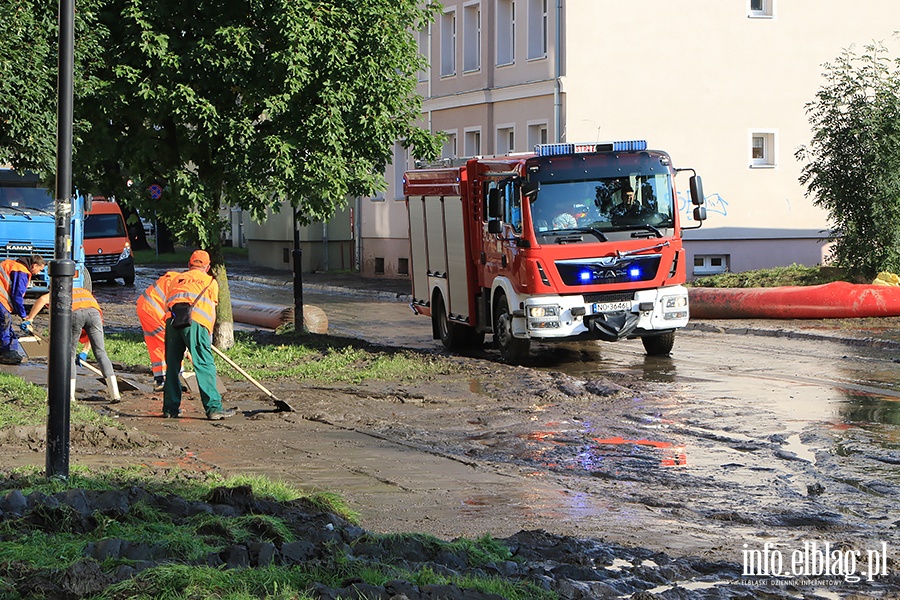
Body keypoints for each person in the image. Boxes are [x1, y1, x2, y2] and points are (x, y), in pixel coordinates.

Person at [162, 250, 233, 420]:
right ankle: (214, 408)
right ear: (207, 267)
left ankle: (170, 409)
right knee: (204, 364)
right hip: (196, 322)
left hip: (172, 322)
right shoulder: (210, 282)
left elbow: (167, 305)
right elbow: (212, 313)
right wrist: (207, 335)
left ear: (189, 265)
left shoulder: (177, 280)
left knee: (172, 367)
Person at [70, 286, 120, 403]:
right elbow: (91, 332)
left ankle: (70, 397)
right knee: (101, 352)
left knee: (70, 355)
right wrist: (84, 352)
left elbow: (42, 300)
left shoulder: (62, 293)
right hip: (94, 314)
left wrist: (29, 319)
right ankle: (115, 394)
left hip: (75, 314)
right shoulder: (85, 293)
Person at [137, 270, 180, 391]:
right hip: (153, 310)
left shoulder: (178, 279)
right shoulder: (182, 285)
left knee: (155, 344)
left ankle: (160, 379)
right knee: (172, 342)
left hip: (145, 307)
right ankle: (176, 378)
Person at [0, 254, 45, 364]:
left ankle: (10, 351)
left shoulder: (15, 265)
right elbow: (17, 295)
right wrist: (24, 315)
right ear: (34, 265)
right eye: (40, 270)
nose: (38, 273)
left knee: (6, 324)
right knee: (5, 321)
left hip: (2, 299)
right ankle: (6, 353)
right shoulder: (21, 271)